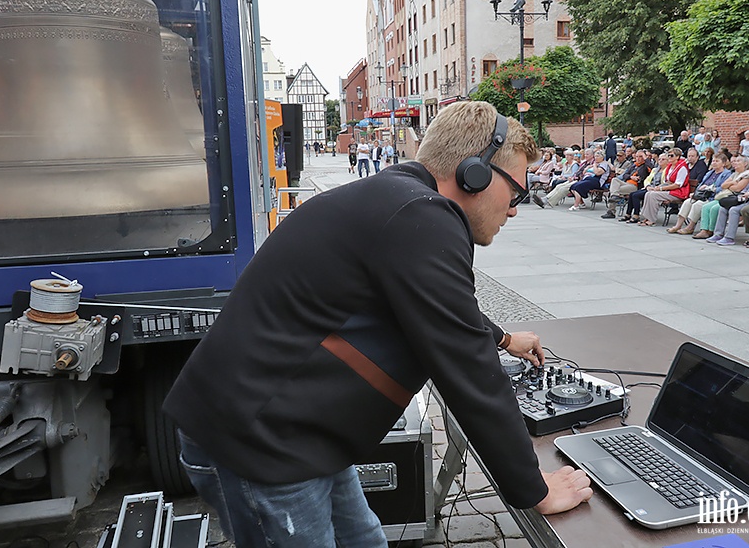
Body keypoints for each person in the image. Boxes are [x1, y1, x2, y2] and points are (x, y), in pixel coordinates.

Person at [162, 102, 593, 547]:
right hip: (264, 445)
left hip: (296, 432)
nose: (515, 209)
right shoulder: (421, 216)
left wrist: (502, 337)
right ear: (474, 174)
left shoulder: (398, 201)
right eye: (517, 193)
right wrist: (534, 490)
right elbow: (469, 369)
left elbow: (439, 308)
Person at [667, 152, 731, 234]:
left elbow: (723, 188)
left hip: (712, 197)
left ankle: (690, 227)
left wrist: (709, 188)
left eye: (717, 161)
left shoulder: (726, 174)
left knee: (697, 205)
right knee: (687, 202)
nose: (714, 163)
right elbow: (700, 184)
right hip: (701, 195)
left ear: (723, 163)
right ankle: (678, 225)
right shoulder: (710, 173)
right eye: (713, 161)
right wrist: (695, 192)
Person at [693, 156, 749, 239]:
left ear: (745, 163)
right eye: (735, 161)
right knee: (706, 207)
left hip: (735, 198)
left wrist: (729, 185)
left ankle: (711, 231)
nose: (735, 163)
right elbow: (723, 185)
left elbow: (737, 189)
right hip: (726, 196)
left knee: (715, 208)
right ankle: (704, 230)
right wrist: (733, 183)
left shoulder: (748, 174)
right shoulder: (734, 174)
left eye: (738, 161)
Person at [638, 147, 690, 226]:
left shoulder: (682, 168)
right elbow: (668, 181)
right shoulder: (670, 166)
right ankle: (647, 217)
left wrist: (661, 188)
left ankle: (651, 219)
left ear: (677, 157)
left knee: (653, 195)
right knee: (649, 193)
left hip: (679, 192)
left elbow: (678, 185)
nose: (669, 157)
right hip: (669, 189)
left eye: (671, 155)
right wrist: (658, 187)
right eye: (668, 155)